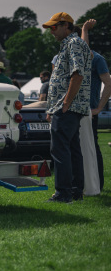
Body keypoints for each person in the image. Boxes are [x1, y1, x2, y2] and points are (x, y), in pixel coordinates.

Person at [43, 12, 91, 203]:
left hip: (68, 106)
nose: (51, 32)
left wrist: (65, 103)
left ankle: (63, 193)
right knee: (72, 148)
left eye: (54, 27)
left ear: (66, 26)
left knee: (60, 149)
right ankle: (75, 191)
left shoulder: (74, 43)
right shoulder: (70, 45)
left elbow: (77, 74)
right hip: (66, 106)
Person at [81, 19, 111, 192]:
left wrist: (99, 107)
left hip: (89, 110)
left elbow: (108, 83)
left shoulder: (96, 58)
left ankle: (96, 184)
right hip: (73, 109)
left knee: (93, 146)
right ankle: (79, 184)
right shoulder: (66, 57)